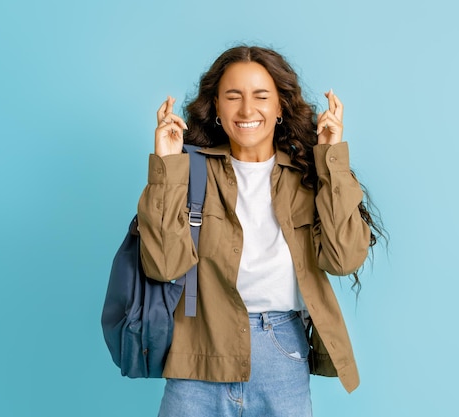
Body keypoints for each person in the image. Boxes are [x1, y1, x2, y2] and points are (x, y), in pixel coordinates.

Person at [137, 45, 385, 417]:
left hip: (281, 352)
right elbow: (163, 266)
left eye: (261, 96)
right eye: (233, 96)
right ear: (217, 107)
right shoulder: (189, 172)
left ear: (280, 106)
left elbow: (344, 260)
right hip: (199, 352)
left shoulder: (307, 174)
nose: (247, 110)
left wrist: (332, 160)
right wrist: (167, 165)